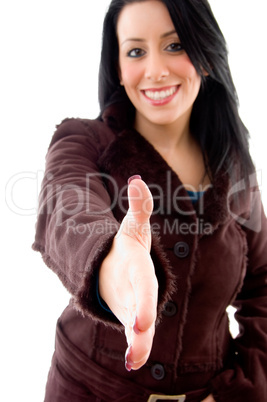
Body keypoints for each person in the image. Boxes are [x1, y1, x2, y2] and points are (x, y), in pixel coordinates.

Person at [32, 0, 267, 401]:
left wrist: (238, 391)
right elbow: (66, 205)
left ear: (206, 55)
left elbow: (262, 289)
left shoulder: (235, 168)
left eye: (175, 46)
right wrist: (110, 262)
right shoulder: (85, 140)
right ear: (119, 68)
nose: (156, 70)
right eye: (136, 51)